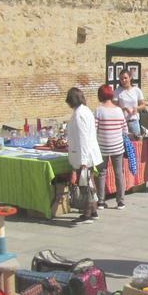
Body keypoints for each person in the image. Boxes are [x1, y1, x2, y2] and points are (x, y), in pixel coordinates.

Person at [64, 87, 100, 223]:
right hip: (88, 153)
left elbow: (83, 138)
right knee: (89, 182)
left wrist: (84, 160)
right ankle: (94, 210)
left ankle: (87, 213)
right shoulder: (86, 111)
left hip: (84, 154)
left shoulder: (79, 115)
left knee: (85, 185)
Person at [94, 85, 128, 211]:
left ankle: (101, 201)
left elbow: (94, 129)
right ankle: (120, 202)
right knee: (119, 173)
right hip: (117, 146)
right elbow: (125, 129)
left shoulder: (98, 110)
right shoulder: (119, 110)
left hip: (102, 147)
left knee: (101, 173)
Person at [116, 71, 147, 138]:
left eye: (125, 78)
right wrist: (124, 109)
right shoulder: (117, 91)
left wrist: (136, 108)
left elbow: (143, 105)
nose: (123, 80)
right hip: (122, 122)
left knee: (136, 143)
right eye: (121, 79)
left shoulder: (136, 90)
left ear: (130, 78)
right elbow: (114, 107)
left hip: (133, 121)